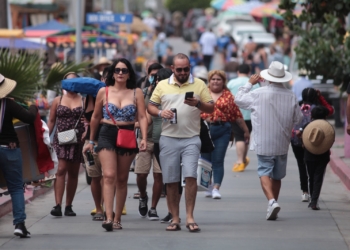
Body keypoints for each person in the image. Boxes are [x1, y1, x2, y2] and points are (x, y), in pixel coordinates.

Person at [148, 53, 214, 232]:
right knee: (171, 180)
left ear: (190, 67)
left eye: (186, 69)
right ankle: (175, 218)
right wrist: (161, 113)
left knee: (191, 176)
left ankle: (190, 217)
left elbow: (211, 107)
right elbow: (151, 106)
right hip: (168, 138)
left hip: (191, 138)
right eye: (179, 69)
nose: (183, 72)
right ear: (172, 69)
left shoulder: (199, 84)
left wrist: (198, 104)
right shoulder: (162, 85)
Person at [83, 58, 147, 231]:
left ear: (129, 74)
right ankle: (108, 216)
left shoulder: (136, 93)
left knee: (122, 178)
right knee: (109, 175)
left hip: (127, 134)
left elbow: (142, 117)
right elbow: (95, 117)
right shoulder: (104, 92)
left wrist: (144, 139)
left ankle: (118, 218)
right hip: (106, 134)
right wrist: (90, 140)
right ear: (112, 73)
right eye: (117, 70)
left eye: (124, 70)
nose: (120, 73)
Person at [235, 61, 303, 220]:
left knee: (264, 171)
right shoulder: (291, 95)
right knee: (277, 176)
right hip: (282, 142)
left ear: (268, 78)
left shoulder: (258, 93)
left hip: (264, 141)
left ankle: (272, 201)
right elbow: (298, 119)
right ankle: (272, 204)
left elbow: (238, 99)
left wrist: (249, 84)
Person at [201, 70, 249, 199]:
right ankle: (208, 185)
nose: (216, 81)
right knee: (205, 160)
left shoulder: (228, 96)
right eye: (213, 79)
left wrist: (245, 131)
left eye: (219, 79)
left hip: (222, 129)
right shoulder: (202, 94)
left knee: (218, 160)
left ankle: (216, 187)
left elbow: (237, 115)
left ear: (223, 82)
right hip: (204, 130)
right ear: (209, 81)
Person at [0, 74, 37, 238]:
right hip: (9, 149)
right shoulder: (8, 104)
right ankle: (19, 224)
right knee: (15, 188)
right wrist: (33, 106)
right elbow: (29, 118)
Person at [48, 72, 85, 217]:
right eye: (68, 81)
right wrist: (46, 137)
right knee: (61, 169)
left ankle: (69, 205)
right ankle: (57, 205)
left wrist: (87, 130)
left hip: (77, 139)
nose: (71, 84)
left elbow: (90, 118)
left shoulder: (83, 100)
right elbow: (51, 120)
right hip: (61, 138)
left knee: (74, 172)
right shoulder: (58, 99)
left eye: (73, 81)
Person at [290, 88, 334, 202]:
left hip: (296, 140)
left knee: (301, 165)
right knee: (313, 168)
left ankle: (305, 192)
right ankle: (314, 192)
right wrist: (321, 97)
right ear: (315, 97)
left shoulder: (297, 107)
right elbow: (330, 110)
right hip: (312, 141)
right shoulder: (318, 110)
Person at [135, 63, 164, 220]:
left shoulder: (168, 93)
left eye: (159, 75)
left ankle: (153, 207)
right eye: (153, 75)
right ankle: (143, 196)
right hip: (145, 139)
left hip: (163, 140)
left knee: (158, 175)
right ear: (148, 75)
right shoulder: (144, 93)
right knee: (141, 174)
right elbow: (140, 116)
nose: (156, 78)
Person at [83, 67, 107, 220]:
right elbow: (89, 116)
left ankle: (106, 207)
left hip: (107, 141)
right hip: (90, 141)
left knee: (107, 176)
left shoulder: (112, 96)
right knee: (94, 176)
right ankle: (98, 208)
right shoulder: (90, 97)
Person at [300, 106, 335, 210]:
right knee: (318, 178)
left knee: (311, 177)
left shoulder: (307, 126)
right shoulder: (328, 127)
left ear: (311, 116)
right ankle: (314, 201)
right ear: (325, 117)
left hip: (309, 156)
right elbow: (330, 141)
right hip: (322, 156)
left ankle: (312, 200)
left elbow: (303, 143)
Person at [227, 64, 259, 172]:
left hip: (236, 114)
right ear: (249, 71)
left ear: (238, 71)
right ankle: (243, 159)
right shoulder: (254, 84)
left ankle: (240, 161)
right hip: (250, 114)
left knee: (239, 137)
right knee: (246, 136)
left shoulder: (232, 83)